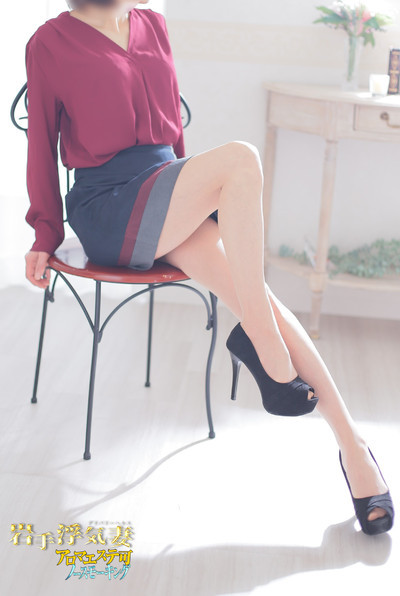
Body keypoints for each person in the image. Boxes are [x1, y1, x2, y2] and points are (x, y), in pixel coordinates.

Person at [24, 0, 394, 535]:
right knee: (242, 159)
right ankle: (266, 351)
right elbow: (40, 144)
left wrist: (193, 193)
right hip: (108, 208)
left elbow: (173, 134)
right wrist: (45, 232)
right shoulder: (49, 43)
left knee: (258, 298)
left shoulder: (151, 23)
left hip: (163, 194)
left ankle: (354, 448)